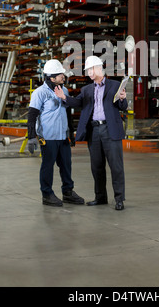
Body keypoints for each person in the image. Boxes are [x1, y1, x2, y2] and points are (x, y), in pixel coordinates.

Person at [54, 55, 128, 210]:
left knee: (116, 166)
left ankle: (119, 199)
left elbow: (122, 106)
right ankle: (100, 197)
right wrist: (64, 98)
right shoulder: (87, 89)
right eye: (87, 70)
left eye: (91, 69)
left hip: (110, 130)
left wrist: (122, 99)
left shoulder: (115, 85)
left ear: (99, 68)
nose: (89, 72)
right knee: (97, 166)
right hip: (94, 130)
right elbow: (78, 102)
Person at [27, 59, 84, 207]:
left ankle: (68, 192)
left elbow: (68, 113)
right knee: (48, 165)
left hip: (62, 136)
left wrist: (71, 132)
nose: (63, 77)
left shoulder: (64, 91)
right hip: (48, 137)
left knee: (66, 165)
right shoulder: (40, 93)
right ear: (52, 78)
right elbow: (32, 115)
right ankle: (47, 194)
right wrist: (31, 137)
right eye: (60, 75)